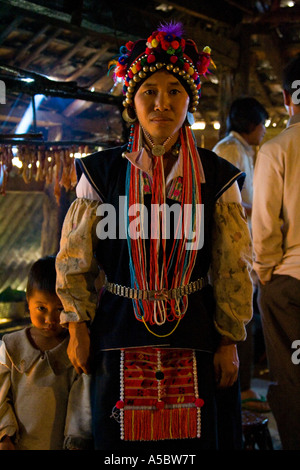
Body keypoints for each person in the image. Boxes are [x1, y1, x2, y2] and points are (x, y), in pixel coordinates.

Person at [56, 21, 253, 451]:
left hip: (197, 332)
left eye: (174, 91)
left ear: (189, 101)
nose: (161, 103)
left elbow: (233, 266)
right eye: (149, 91)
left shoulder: (217, 178)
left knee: (194, 447)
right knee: (124, 447)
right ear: (132, 101)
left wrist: (228, 340)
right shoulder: (100, 174)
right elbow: (75, 258)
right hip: (117, 331)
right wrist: (77, 327)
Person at [252, 54, 300, 450]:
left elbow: (265, 229)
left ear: (287, 98)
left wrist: (265, 274)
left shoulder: (277, 149)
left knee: (294, 380)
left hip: (290, 288)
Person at [213, 98, 270, 413]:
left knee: (245, 315)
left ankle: (244, 386)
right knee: (239, 315)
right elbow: (229, 203)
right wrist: (265, 211)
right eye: (262, 124)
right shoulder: (230, 150)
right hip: (232, 249)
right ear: (250, 124)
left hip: (244, 244)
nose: (263, 131)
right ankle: (242, 389)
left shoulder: (242, 151)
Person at [0, 256, 92, 450]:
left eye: (60, 309)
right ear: (28, 300)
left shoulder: (75, 351)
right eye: (41, 308)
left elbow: (80, 408)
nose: (50, 319)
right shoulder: (11, 346)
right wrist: (4, 436)